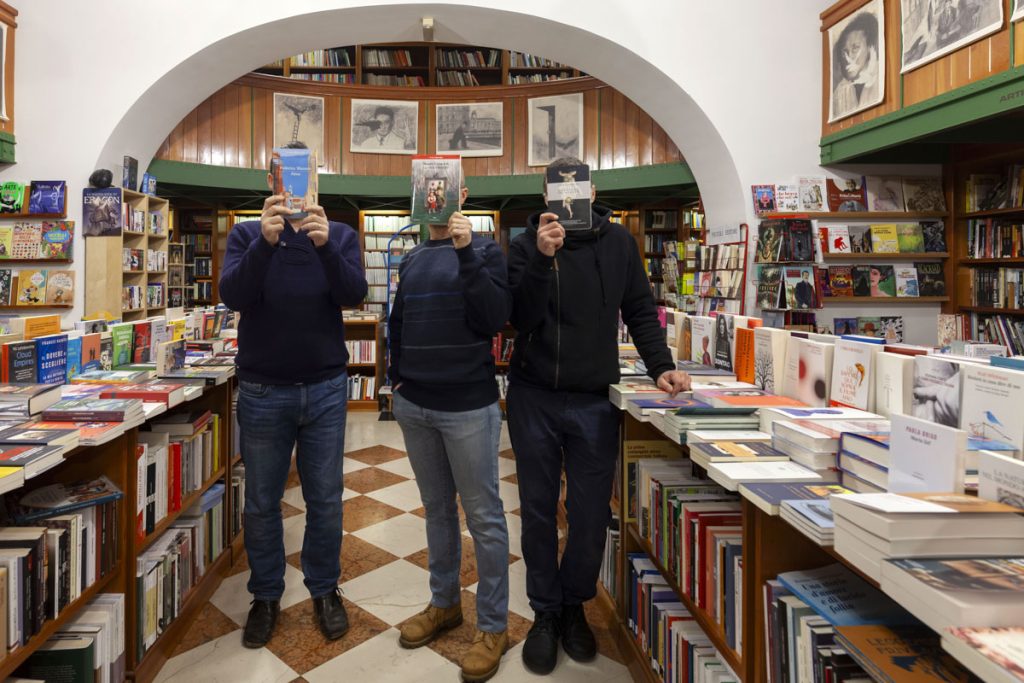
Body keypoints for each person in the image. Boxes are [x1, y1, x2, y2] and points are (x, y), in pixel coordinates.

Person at [506, 157, 691, 676]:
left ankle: (574, 605)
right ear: (544, 197)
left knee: (590, 515)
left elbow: (639, 308)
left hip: (592, 399)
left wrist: (662, 367)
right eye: (555, 191)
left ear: (592, 190)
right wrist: (543, 259)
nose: (565, 199)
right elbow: (516, 319)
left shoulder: (618, 244)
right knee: (539, 510)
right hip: (534, 395)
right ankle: (545, 612)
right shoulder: (525, 245)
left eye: (575, 188)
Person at [219, 147, 368, 649]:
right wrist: (264, 242)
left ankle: (325, 589)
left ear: (318, 182)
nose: (300, 186)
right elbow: (234, 296)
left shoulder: (340, 233)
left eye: (309, 176)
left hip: (326, 388)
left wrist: (327, 248)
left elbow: (354, 293)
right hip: (263, 390)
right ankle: (265, 595)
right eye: (290, 176)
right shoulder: (246, 233)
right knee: (262, 502)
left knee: (325, 499)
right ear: (272, 179)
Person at [388, 180, 512, 683]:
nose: (437, 199)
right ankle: (444, 604)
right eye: (428, 190)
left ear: (462, 193)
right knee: (437, 511)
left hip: (468, 406)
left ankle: (493, 625)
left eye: (446, 188)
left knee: (483, 516)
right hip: (415, 403)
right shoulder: (413, 257)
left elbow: (493, 319)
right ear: (419, 196)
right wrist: (396, 380)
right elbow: (397, 322)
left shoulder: (485, 250)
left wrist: (465, 253)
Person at [831, 10, 880, 119]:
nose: (848, 58)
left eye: (855, 48)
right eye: (845, 51)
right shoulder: (841, 90)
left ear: (869, 48)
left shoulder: (882, 78)